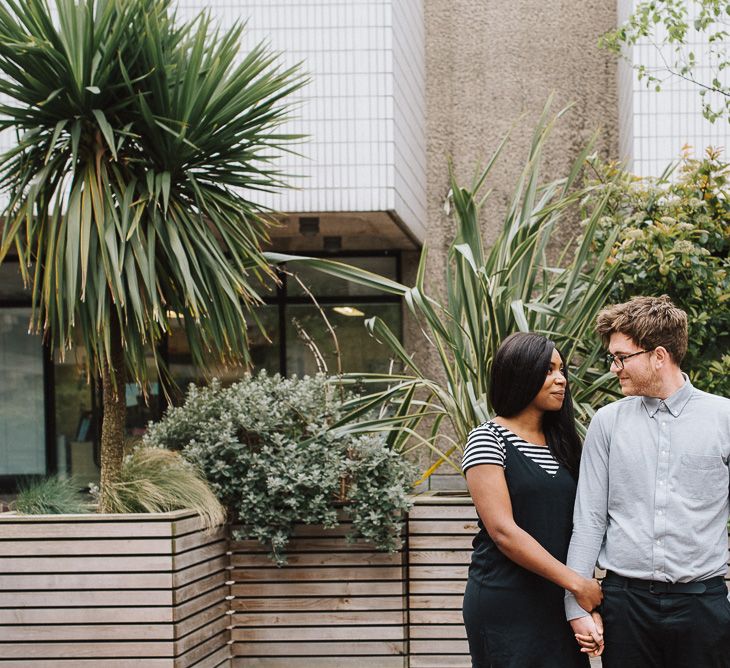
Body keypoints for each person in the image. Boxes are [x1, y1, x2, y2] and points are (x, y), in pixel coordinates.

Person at [565, 295, 730, 667]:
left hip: (703, 605)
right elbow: (589, 519)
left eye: (621, 357)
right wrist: (574, 605)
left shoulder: (724, 419)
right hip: (626, 603)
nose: (614, 368)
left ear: (658, 355)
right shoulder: (607, 423)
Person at [462, 332, 604, 668]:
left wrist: (580, 598)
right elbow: (503, 532)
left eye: (562, 370)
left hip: (558, 601)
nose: (561, 379)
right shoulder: (488, 438)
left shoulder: (565, 442)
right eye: (549, 370)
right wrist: (578, 584)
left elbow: (585, 521)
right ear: (520, 374)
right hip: (506, 600)